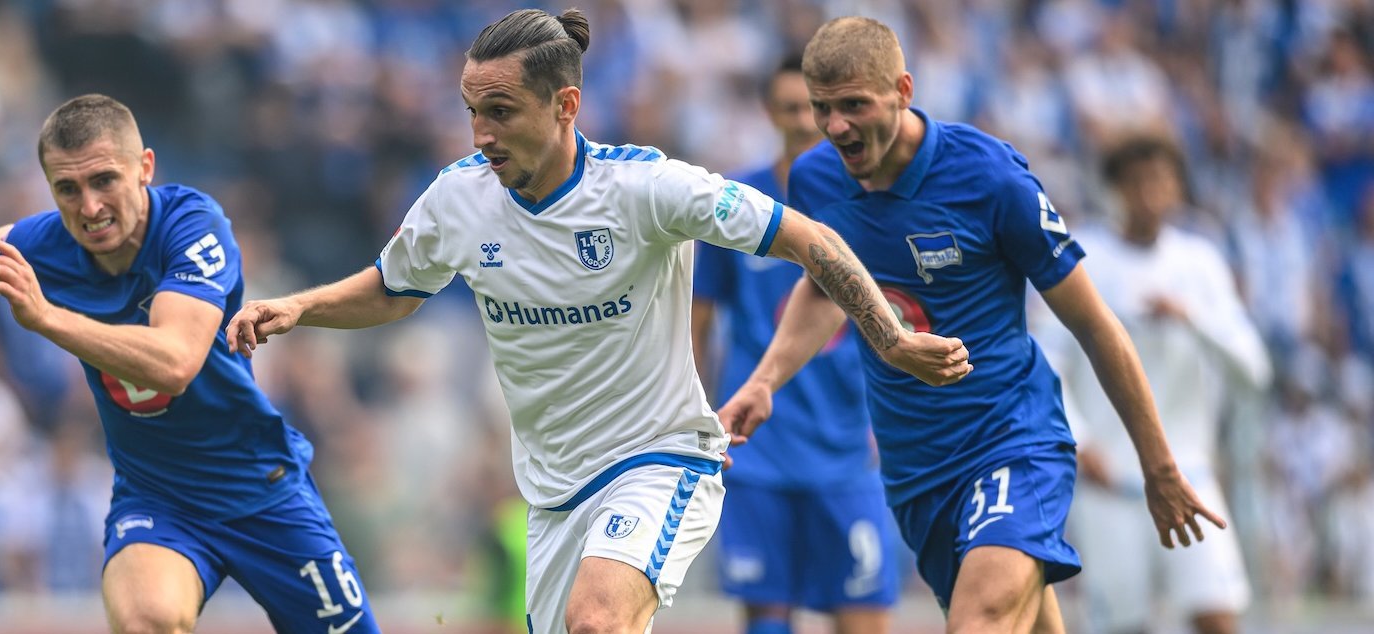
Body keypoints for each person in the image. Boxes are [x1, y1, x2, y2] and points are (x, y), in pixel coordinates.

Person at [226, 9, 970, 634]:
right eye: (472, 111)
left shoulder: (648, 188)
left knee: (596, 621)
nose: (480, 134)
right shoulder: (457, 199)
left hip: (660, 459)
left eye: (501, 111)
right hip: (552, 495)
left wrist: (892, 339)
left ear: (566, 106)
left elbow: (814, 238)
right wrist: (300, 307)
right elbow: (393, 290)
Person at [719, 17, 1227, 633]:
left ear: (904, 91)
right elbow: (823, 289)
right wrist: (765, 379)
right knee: (1022, 618)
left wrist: (1159, 467)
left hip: (1011, 440)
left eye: (854, 106)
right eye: (824, 109)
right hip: (917, 469)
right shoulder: (816, 179)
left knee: (979, 619)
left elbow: (1096, 325)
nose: (835, 128)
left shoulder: (990, 178)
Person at [0, 94, 378, 634]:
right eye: (67, 189)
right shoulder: (44, 245)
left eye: (104, 181)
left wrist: (47, 319)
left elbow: (174, 363)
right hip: (157, 500)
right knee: (148, 621)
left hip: (262, 490)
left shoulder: (194, 226)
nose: (89, 207)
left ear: (144, 168)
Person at [692, 55, 900, 634]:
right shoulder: (736, 205)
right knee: (767, 616)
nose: (805, 124)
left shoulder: (869, 202)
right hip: (759, 445)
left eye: (813, 109)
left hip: (848, 444)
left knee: (864, 615)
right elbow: (699, 319)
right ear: (769, 112)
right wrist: (697, 409)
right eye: (790, 109)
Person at [1054, 136, 1266, 634]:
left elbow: (1254, 369)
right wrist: (1082, 444)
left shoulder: (1201, 263)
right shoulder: (1083, 258)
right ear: (1114, 190)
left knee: (1217, 614)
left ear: (1177, 187)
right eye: (1137, 183)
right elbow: (1049, 358)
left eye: (1161, 181)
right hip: (1112, 483)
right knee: (1125, 626)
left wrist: (1192, 319)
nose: (1151, 193)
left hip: (1190, 476)